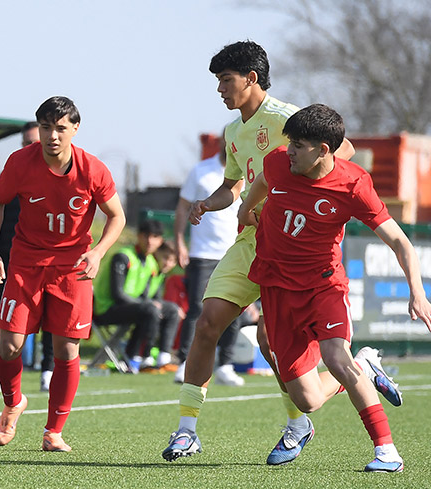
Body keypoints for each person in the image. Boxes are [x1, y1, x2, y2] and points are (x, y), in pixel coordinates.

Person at [161, 40, 357, 465]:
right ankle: (186, 430)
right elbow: (233, 186)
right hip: (250, 242)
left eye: (225, 80)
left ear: (251, 79)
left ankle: (299, 422)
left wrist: (313, 207)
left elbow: (344, 153)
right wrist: (207, 204)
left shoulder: (286, 118)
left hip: (294, 245)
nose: (219, 90)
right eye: (217, 81)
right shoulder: (233, 131)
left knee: (272, 343)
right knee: (207, 320)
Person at [237, 103, 430, 472]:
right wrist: (246, 209)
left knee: (336, 359)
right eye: (289, 142)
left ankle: (387, 451)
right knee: (308, 400)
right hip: (276, 289)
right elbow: (261, 182)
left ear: (323, 150)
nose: (289, 150)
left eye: (299, 144)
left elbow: (401, 242)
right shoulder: (279, 162)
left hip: (323, 286)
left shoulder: (354, 184)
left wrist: (417, 293)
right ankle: (365, 365)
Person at [0, 96, 125, 452]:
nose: (52, 136)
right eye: (46, 128)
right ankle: (14, 401)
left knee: (65, 350)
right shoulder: (20, 162)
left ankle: (54, 432)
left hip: (72, 268)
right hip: (25, 263)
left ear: (75, 130)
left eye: (60, 128)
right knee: (10, 345)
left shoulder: (93, 170)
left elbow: (117, 216)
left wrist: (98, 252)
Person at [173, 129, 244, 386]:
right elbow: (182, 207)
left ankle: (225, 364)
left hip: (234, 251)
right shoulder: (200, 170)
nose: (231, 143)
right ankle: (184, 362)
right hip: (202, 252)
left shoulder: (246, 172)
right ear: (222, 141)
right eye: (228, 138)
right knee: (196, 308)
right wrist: (180, 241)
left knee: (234, 309)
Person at [0, 121, 56, 392]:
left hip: (50, 261)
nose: (29, 148)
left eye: (34, 142)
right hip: (13, 261)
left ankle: (48, 371)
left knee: (53, 318)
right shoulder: (12, 172)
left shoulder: (60, 176)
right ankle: (8, 379)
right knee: (10, 323)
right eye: (25, 143)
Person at [92, 218, 181, 373]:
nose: (150, 241)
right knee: (149, 309)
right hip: (106, 309)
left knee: (172, 309)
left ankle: (163, 359)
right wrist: (148, 304)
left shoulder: (151, 263)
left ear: (160, 241)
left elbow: (151, 297)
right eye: (146, 235)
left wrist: (152, 304)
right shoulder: (123, 256)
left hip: (133, 308)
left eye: (155, 237)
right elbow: (118, 294)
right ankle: (143, 359)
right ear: (139, 236)